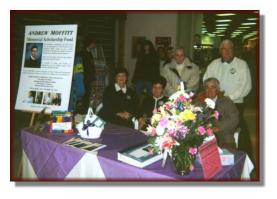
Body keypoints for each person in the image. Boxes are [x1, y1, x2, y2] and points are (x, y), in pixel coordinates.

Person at [203, 39, 254, 163]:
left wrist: (228, 98)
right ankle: (212, 157)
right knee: (211, 126)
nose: (227, 51)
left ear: (233, 49)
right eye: (224, 49)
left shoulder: (241, 64)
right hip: (215, 102)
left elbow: (246, 86)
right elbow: (205, 80)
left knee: (240, 130)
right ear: (220, 51)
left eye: (229, 48)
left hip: (235, 103)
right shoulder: (214, 64)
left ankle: (247, 160)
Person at [197, 78, 239, 149]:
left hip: (225, 138)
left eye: (212, 87)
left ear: (217, 89)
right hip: (204, 139)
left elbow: (234, 119)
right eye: (207, 87)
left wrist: (218, 128)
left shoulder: (227, 102)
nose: (209, 90)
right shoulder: (199, 102)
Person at [80, 37, 96, 113]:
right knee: (85, 94)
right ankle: (83, 110)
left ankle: (85, 109)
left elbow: (91, 66)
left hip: (88, 77)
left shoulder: (89, 53)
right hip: (85, 77)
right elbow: (85, 67)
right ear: (89, 44)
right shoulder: (83, 53)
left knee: (88, 94)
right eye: (93, 43)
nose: (94, 45)